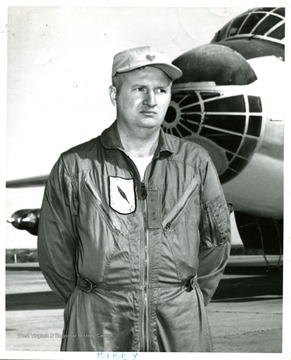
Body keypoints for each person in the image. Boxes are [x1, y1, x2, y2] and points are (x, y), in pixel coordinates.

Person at [37, 45, 231, 352]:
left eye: (161, 90)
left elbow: (217, 242)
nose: (151, 100)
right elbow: (54, 253)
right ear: (114, 94)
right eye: (139, 88)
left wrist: (182, 297)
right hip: (100, 327)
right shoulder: (75, 166)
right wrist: (93, 301)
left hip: (180, 327)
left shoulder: (196, 163)